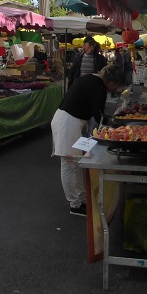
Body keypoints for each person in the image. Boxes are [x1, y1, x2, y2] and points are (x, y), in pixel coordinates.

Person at [51, 64, 124, 216]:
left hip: (69, 121)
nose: (115, 88)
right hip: (68, 122)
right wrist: (109, 127)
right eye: (116, 84)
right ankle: (75, 204)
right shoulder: (99, 87)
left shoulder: (92, 79)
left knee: (75, 162)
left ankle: (80, 199)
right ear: (111, 81)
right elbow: (98, 115)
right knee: (70, 163)